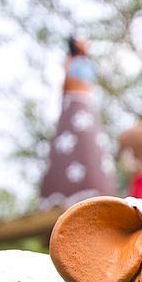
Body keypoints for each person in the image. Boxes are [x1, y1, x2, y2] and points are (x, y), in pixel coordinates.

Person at [38, 37, 116, 210]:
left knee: (89, 149)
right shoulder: (69, 62)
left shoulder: (87, 64)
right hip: (74, 104)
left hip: (86, 105)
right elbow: (65, 84)